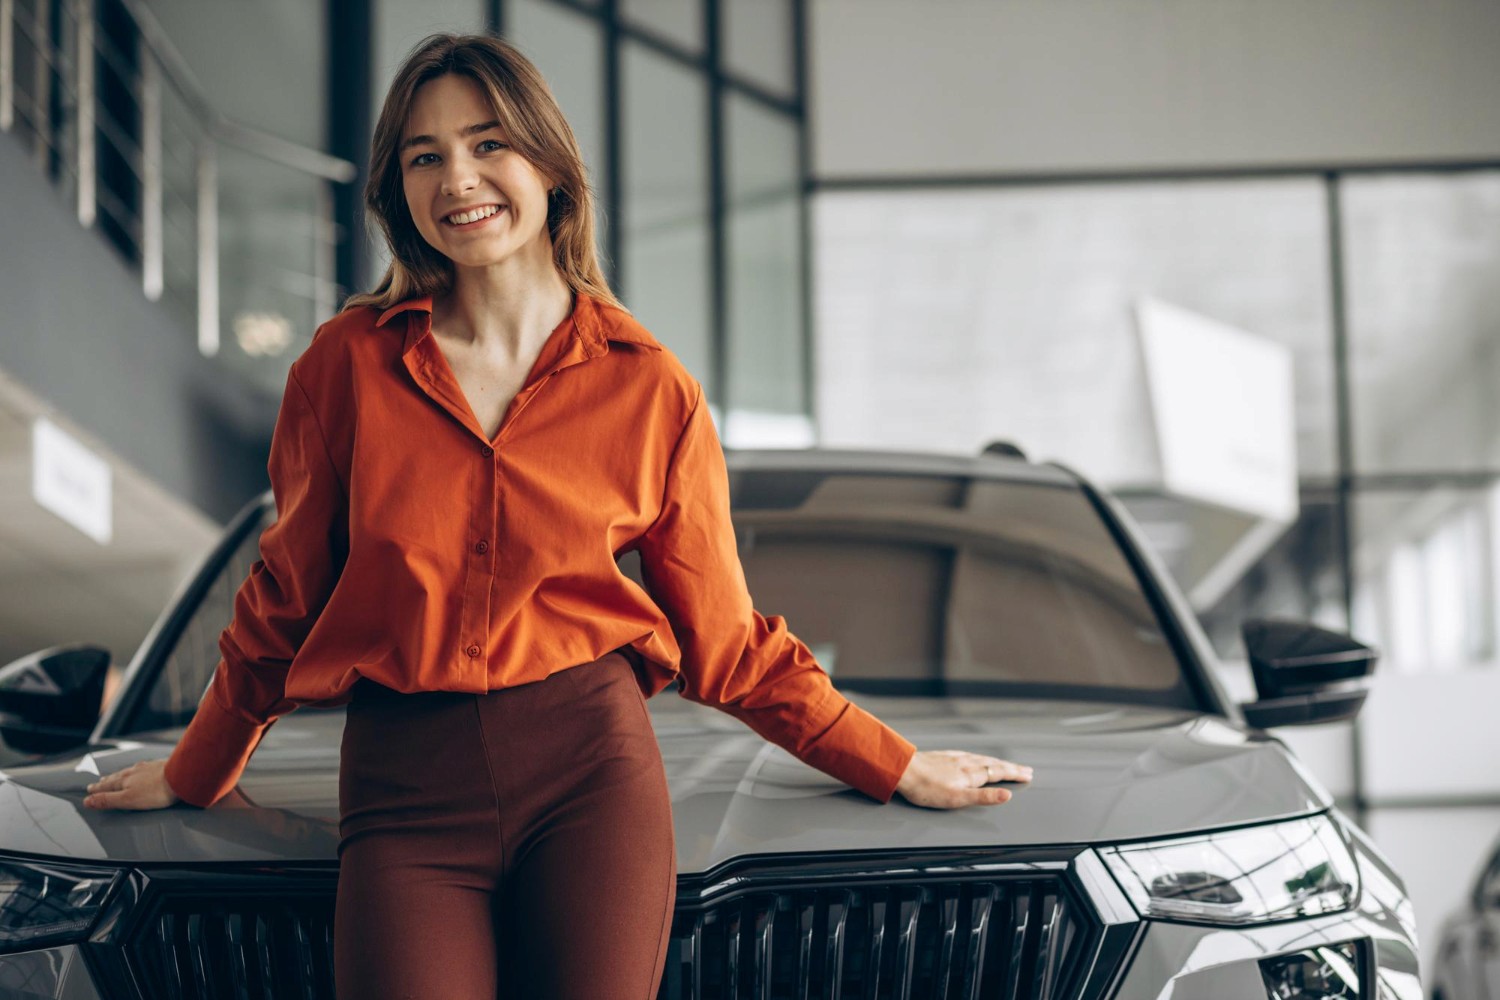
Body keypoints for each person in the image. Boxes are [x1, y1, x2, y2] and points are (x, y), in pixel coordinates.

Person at [80, 31, 1034, 1000]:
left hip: (590, 775)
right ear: (397, 188)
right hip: (403, 786)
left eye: (488, 142)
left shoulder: (650, 387)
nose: (459, 177)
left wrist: (893, 760)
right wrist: (200, 767)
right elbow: (285, 595)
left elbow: (727, 640)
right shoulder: (345, 367)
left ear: (549, 165)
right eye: (425, 155)